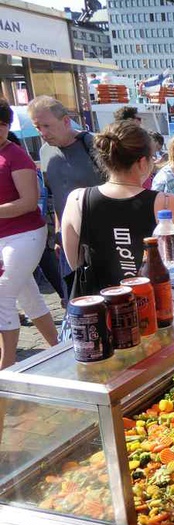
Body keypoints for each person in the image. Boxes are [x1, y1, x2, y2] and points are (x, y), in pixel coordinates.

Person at [62, 121, 174, 292]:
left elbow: (75, 262)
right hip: (155, 307)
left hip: (100, 307)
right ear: (143, 162)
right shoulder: (165, 203)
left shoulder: (77, 200)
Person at [0, 99, 58, 369]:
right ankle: (59, 350)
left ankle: (7, 367)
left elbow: (28, 201)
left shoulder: (16, 156)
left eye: (2, 125)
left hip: (24, 234)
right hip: (6, 237)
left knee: (3, 295)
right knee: (28, 296)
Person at [28, 95, 105, 298]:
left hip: (101, 236)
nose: (43, 133)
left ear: (65, 121)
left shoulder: (94, 145)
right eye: (38, 127)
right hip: (69, 239)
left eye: (47, 125)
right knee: (76, 299)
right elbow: (57, 195)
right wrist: (59, 235)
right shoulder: (46, 153)